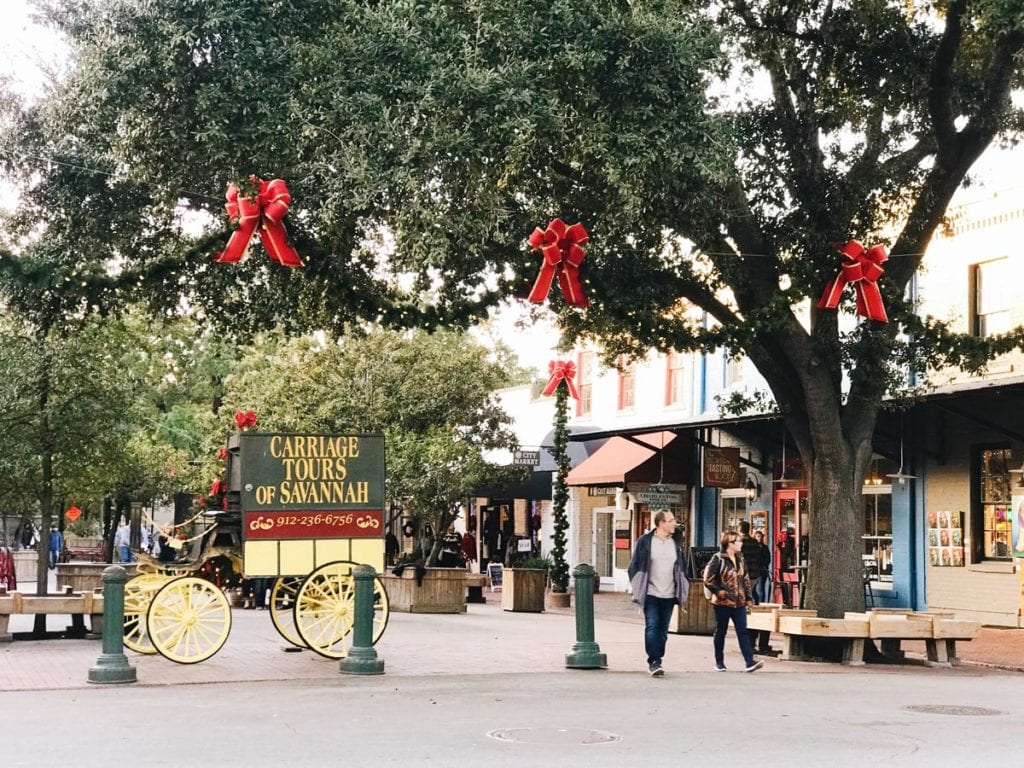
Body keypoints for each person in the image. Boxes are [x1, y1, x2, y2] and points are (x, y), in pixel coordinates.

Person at [627, 510, 690, 677]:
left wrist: (684, 584)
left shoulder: (676, 542)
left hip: (669, 594)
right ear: (661, 523)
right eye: (670, 520)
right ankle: (654, 661)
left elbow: (682, 566)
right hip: (651, 593)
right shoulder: (646, 542)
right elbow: (634, 566)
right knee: (652, 626)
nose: (674, 523)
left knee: (663, 631)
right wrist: (637, 585)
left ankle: (658, 657)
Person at [704, 530, 763, 673]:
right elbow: (708, 579)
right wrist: (719, 591)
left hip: (739, 602)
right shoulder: (718, 559)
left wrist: (749, 598)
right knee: (721, 631)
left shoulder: (741, 559)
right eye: (737, 541)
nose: (740, 543)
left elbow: (746, 580)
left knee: (743, 631)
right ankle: (719, 662)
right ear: (728, 543)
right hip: (722, 602)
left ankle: (749, 661)